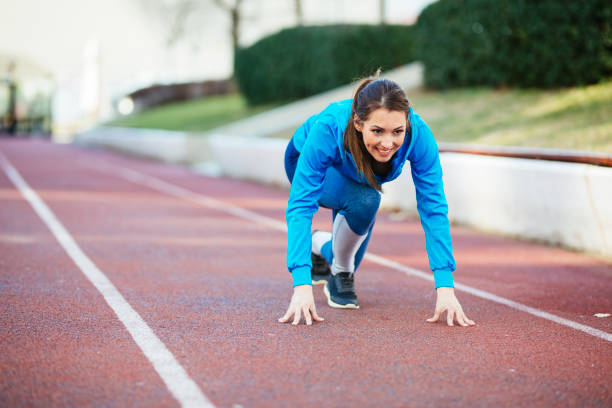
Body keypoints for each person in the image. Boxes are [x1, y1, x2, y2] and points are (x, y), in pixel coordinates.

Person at [278, 71, 475, 328]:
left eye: (397, 131)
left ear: (407, 123)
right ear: (358, 123)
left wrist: (445, 287)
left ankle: (320, 244)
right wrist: (301, 285)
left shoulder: (420, 135)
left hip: (359, 177)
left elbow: (433, 207)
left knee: (363, 202)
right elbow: (301, 206)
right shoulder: (329, 126)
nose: (387, 142)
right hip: (309, 163)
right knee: (366, 199)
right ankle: (341, 271)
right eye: (378, 131)